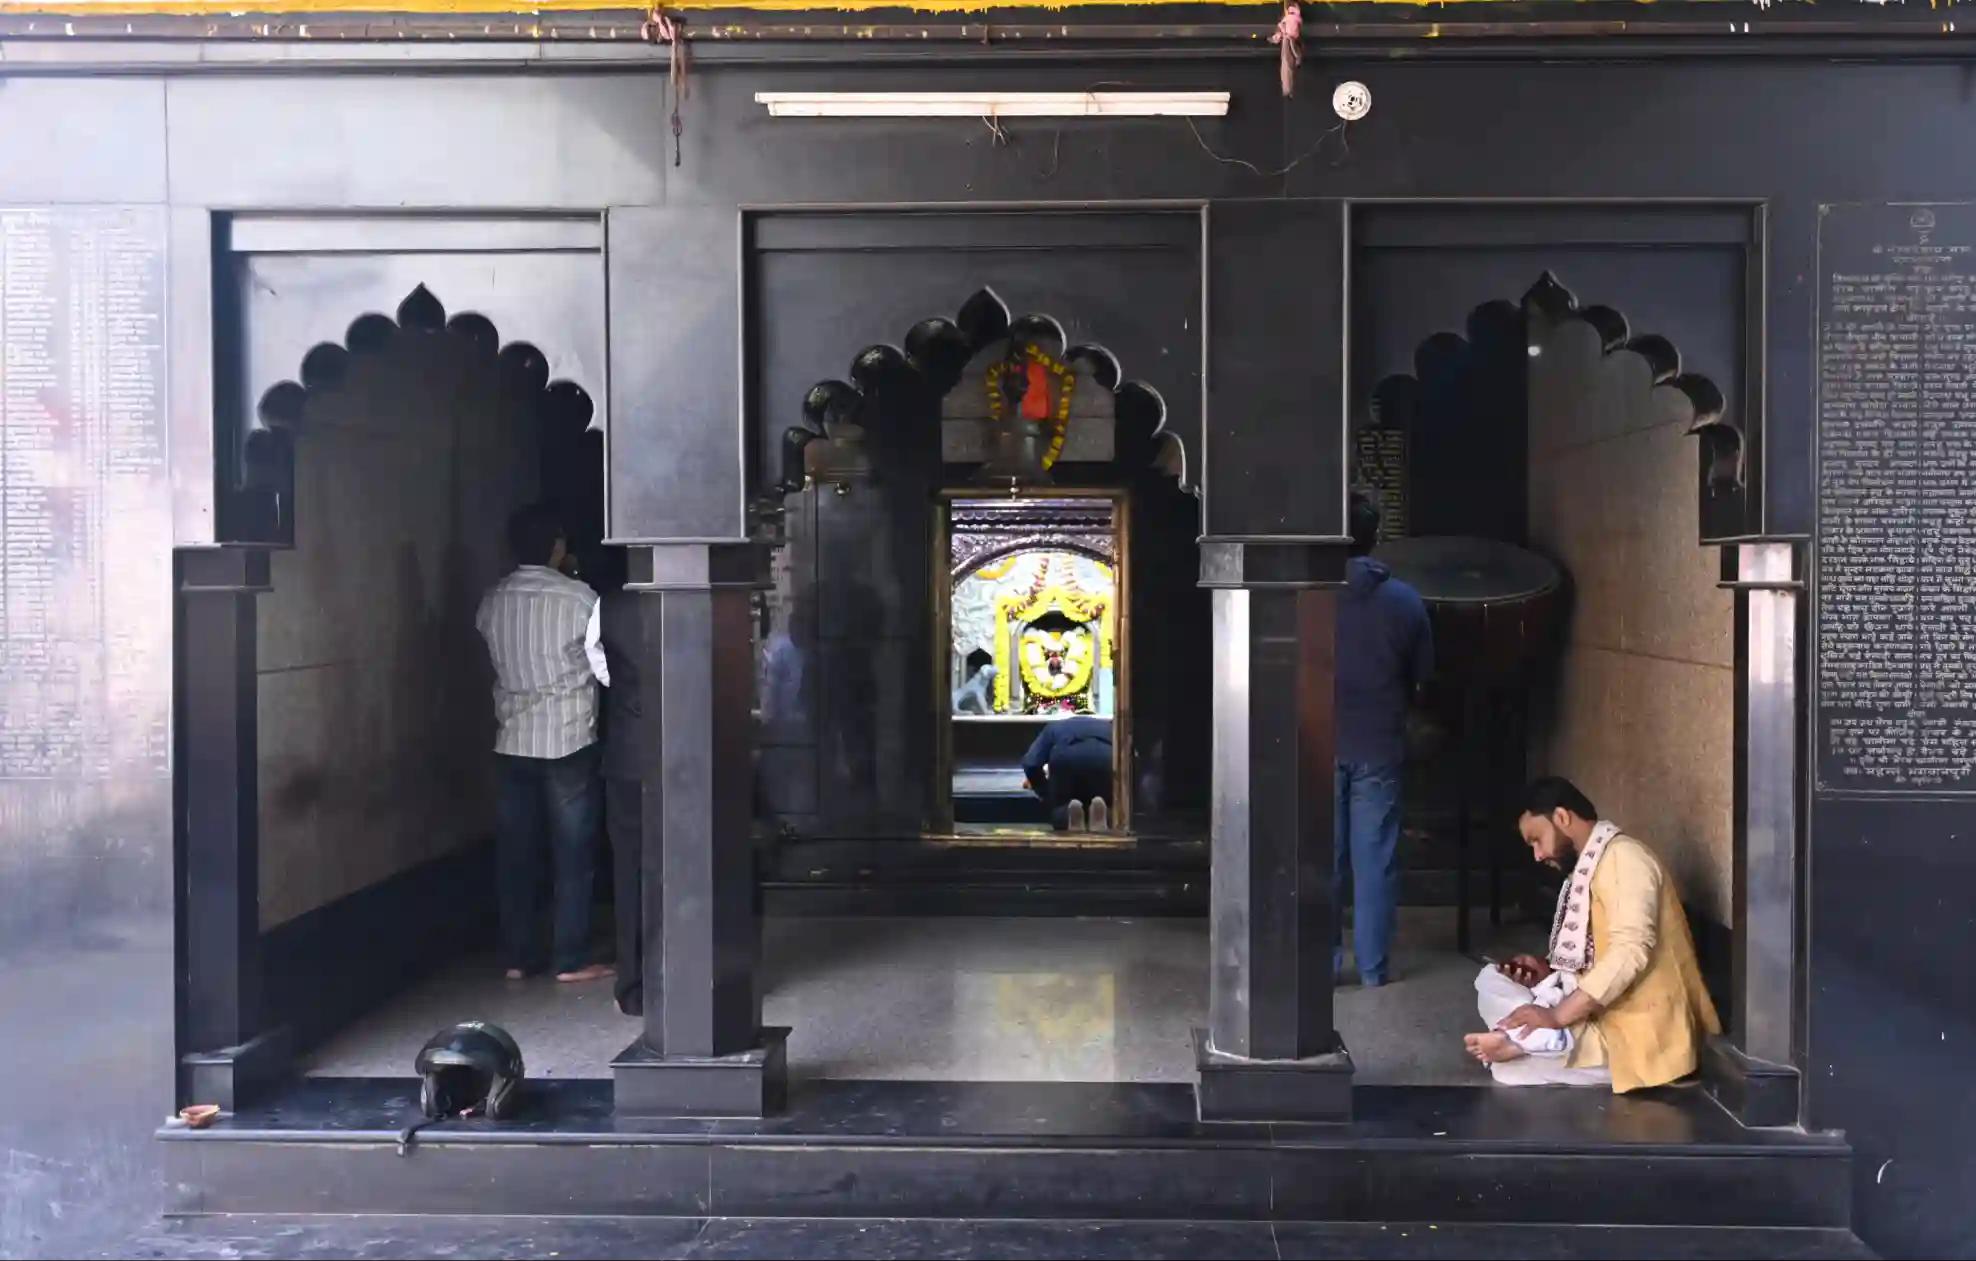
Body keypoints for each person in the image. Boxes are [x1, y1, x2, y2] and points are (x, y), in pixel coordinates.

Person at [1464, 776, 1722, 1091]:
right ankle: (1528, 1037)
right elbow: (1591, 954)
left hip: (1632, 1032)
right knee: (1490, 978)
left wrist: (1558, 1016)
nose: (1537, 855)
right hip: (1595, 1013)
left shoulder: (1625, 859)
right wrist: (1547, 972)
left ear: (1562, 817)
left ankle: (1528, 1039)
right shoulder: (1590, 865)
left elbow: (1630, 951)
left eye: (1537, 840)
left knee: (1508, 1071)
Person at [475, 504, 613, 985]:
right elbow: (604, 668)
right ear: (557, 546)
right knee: (573, 852)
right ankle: (569, 958)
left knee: (516, 852)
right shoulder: (580, 598)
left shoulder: (493, 600)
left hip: (512, 738)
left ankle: (518, 955)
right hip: (568, 737)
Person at [1333, 488, 1433, 986]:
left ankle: (1322, 965)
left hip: (1316, 742)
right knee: (1376, 861)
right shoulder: (1406, 601)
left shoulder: (1306, 595)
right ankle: (1373, 969)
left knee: (1322, 859)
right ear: (1375, 537)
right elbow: (1423, 677)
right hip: (1379, 743)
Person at [596, 578, 651, 1018]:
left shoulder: (608, 606)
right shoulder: (705, 596)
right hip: (693, 757)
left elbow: (603, 671)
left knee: (630, 870)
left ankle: (633, 987)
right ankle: (696, 979)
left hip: (629, 754)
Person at [1021, 715, 1113, 831]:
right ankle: (1105, 814)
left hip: (1066, 755)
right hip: (1105, 755)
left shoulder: (1053, 727)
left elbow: (1031, 763)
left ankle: (1066, 815)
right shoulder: (1109, 727)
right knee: (1106, 798)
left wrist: (1045, 791)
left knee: (1061, 804)